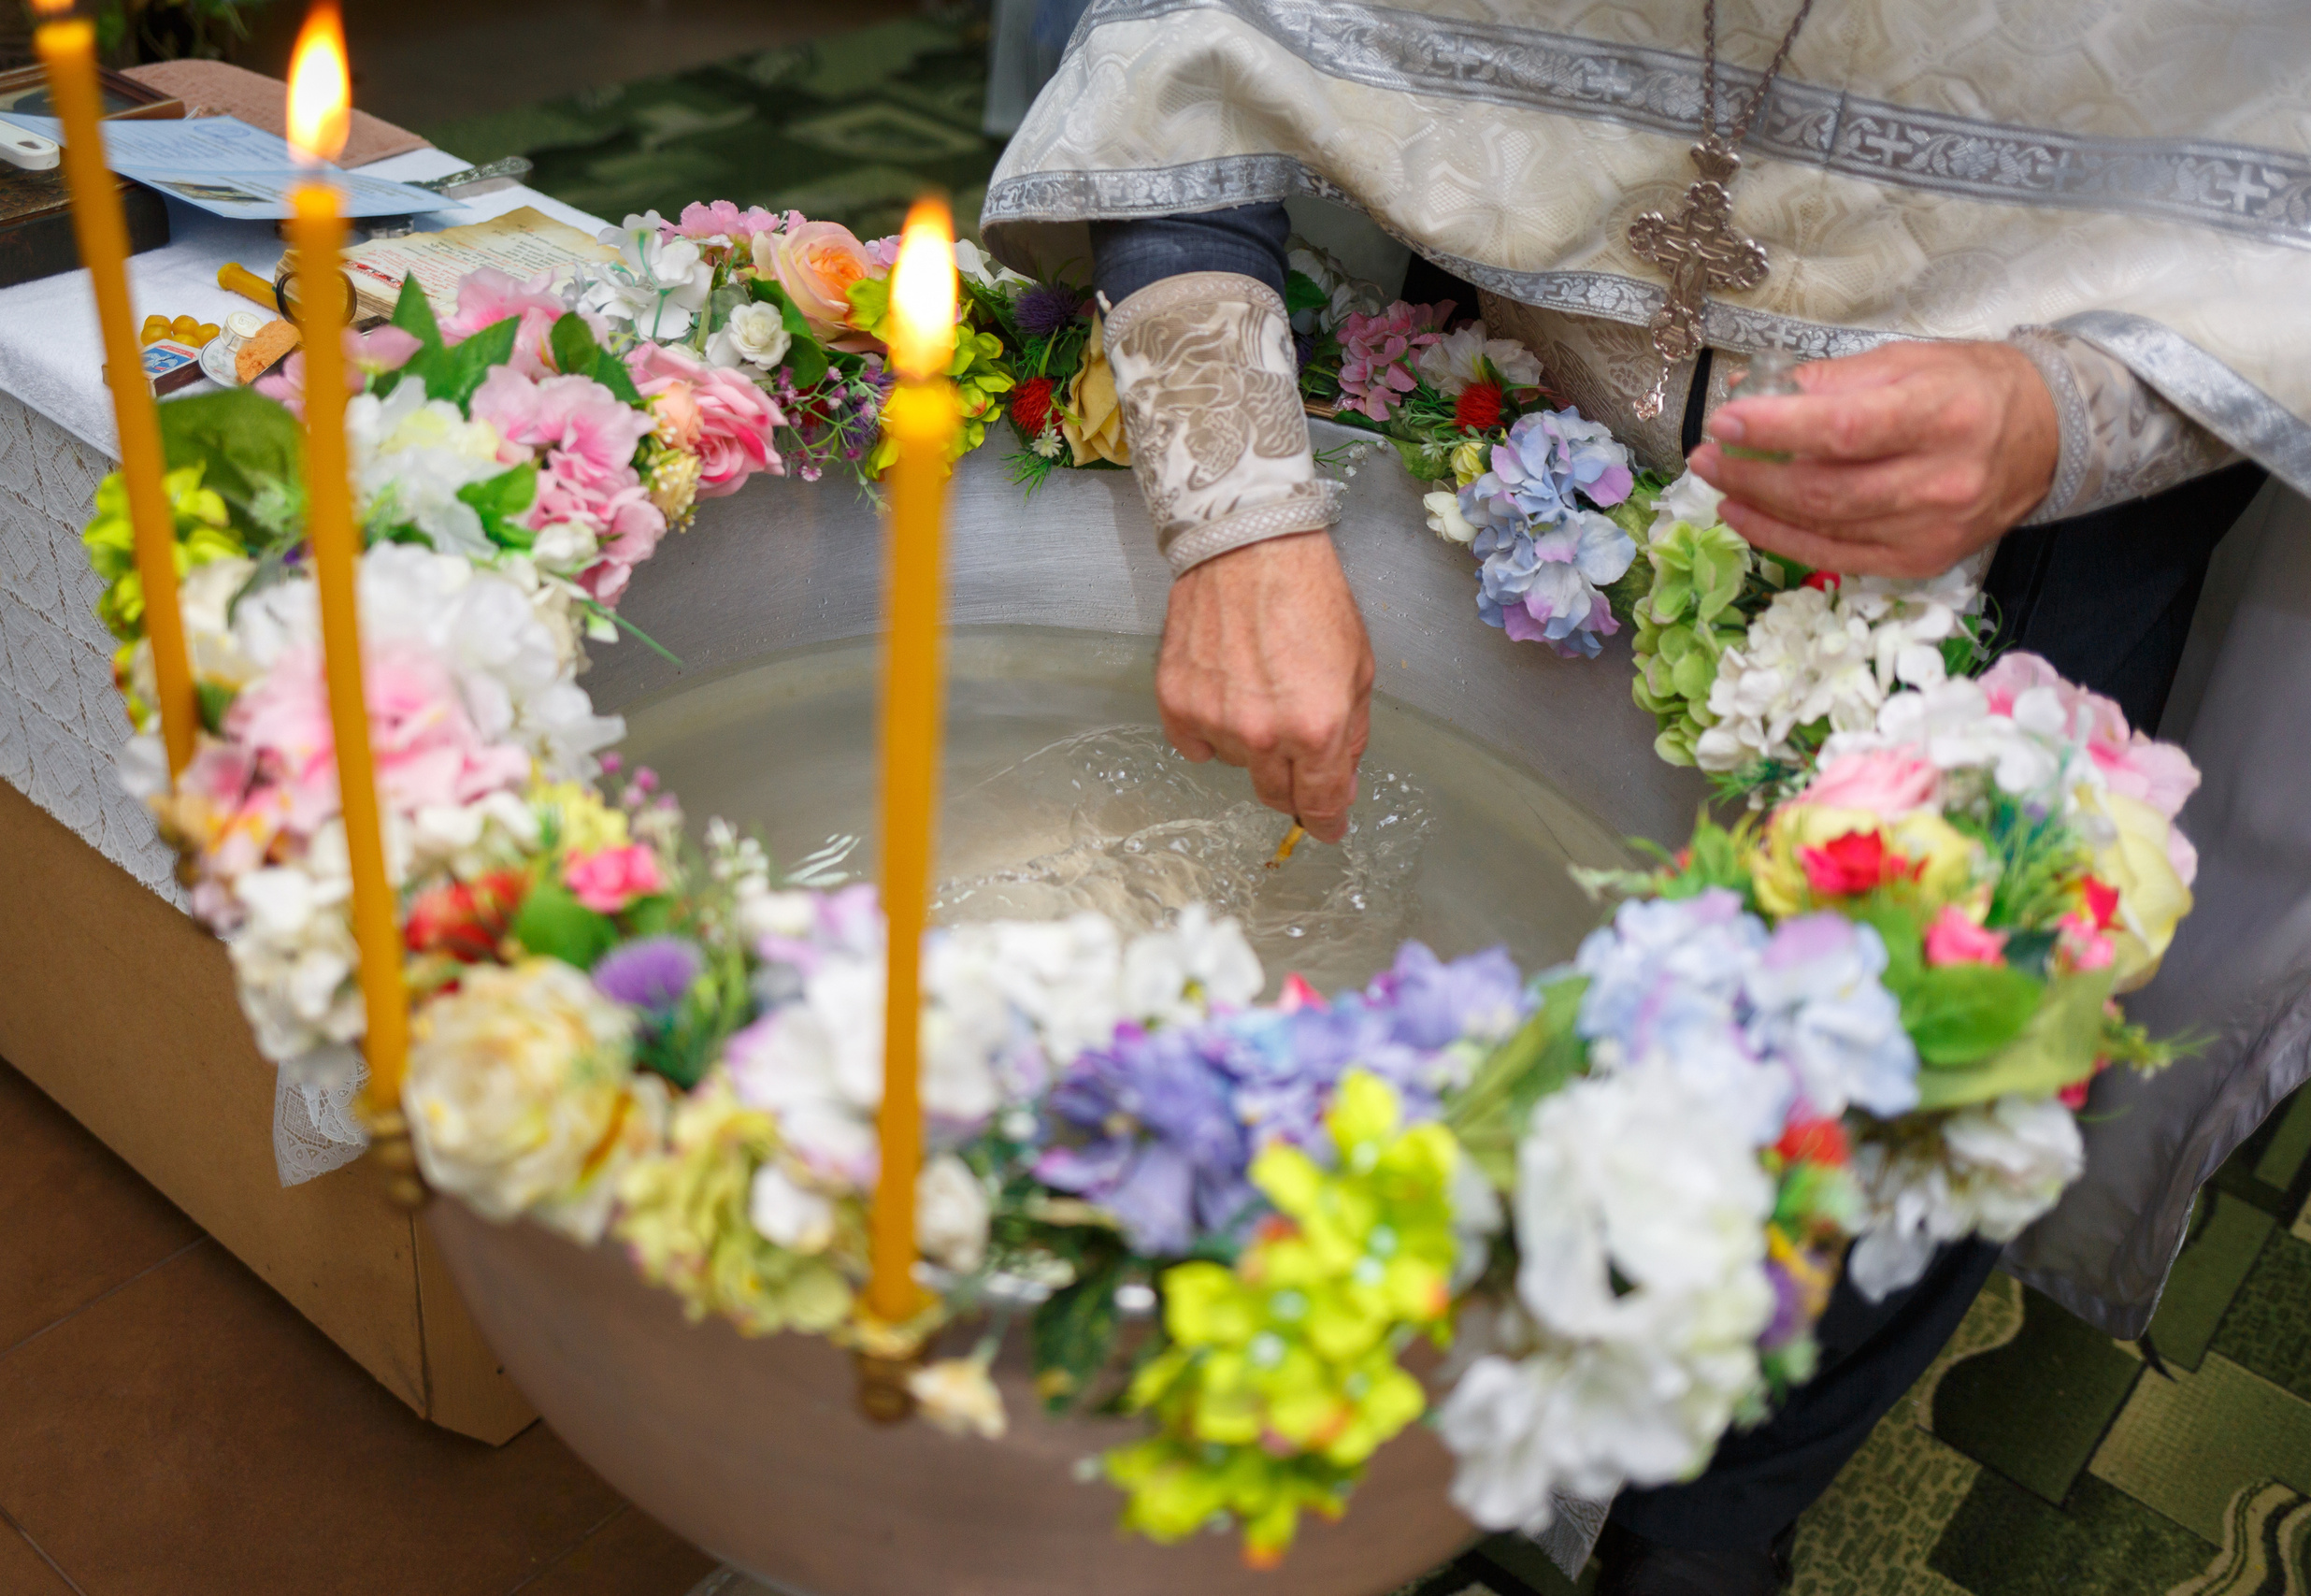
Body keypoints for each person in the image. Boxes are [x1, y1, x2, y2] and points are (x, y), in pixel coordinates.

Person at [979, 3, 2311, 1589]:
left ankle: (1708, 1527)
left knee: (1916, 1071)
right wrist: (1243, 513)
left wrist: (2070, 416)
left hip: (2017, 529)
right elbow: (1185, 52)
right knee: (1435, 979)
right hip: (1504, 426)